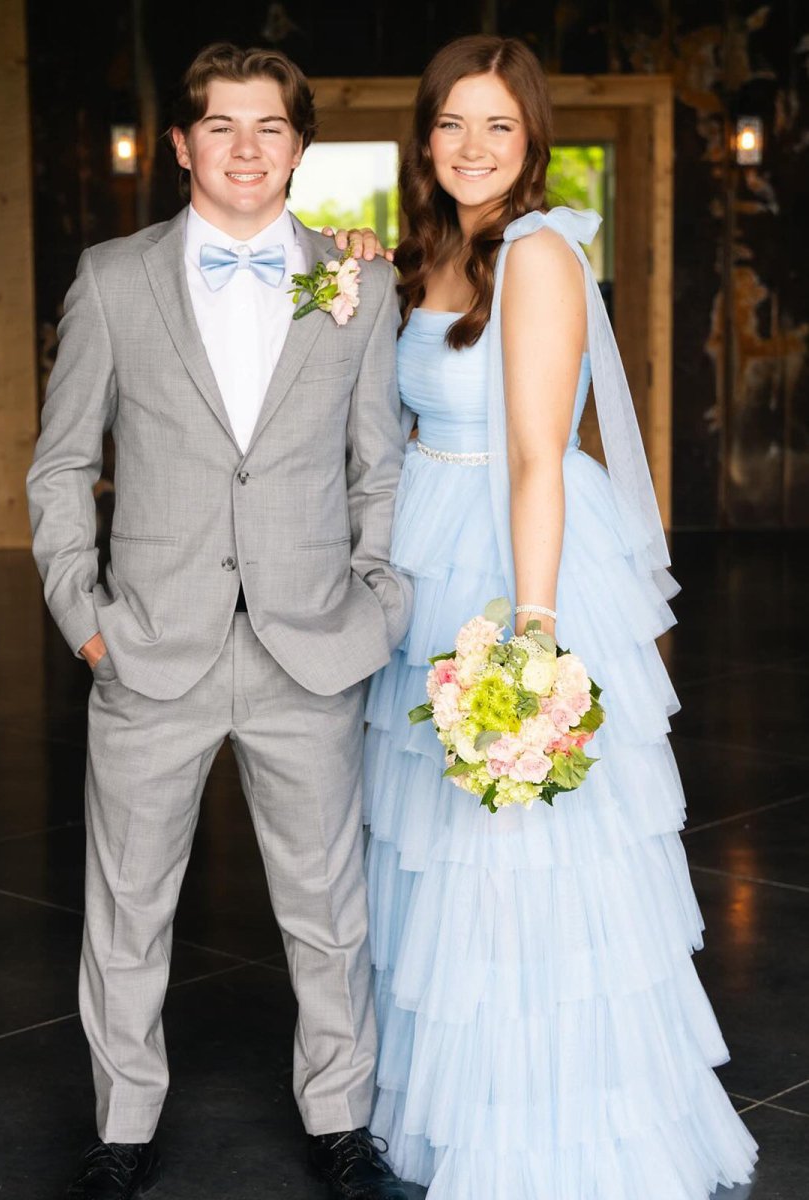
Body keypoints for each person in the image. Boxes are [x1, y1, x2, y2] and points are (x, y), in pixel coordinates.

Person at [338, 34, 759, 1200]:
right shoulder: (429, 252)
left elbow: (535, 456)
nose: (473, 148)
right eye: (453, 124)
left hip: (511, 550)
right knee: (430, 841)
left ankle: (543, 1122)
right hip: (425, 546)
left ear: (533, 144)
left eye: (500, 128)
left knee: (516, 841)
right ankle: (445, 1095)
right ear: (425, 139)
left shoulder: (537, 255)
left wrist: (529, 631)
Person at [27, 42, 413, 1200]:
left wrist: (378, 602)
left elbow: (377, 469)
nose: (247, 148)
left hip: (312, 640)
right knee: (128, 907)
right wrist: (83, 618)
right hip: (148, 644)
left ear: (300, 147)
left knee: (328, 910)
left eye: (270, 128)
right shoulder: (111, 278)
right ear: (184, 145)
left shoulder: (363, 280)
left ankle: (341, 1119)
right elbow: (59, 465)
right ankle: (122, 1130)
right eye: (222, 127)